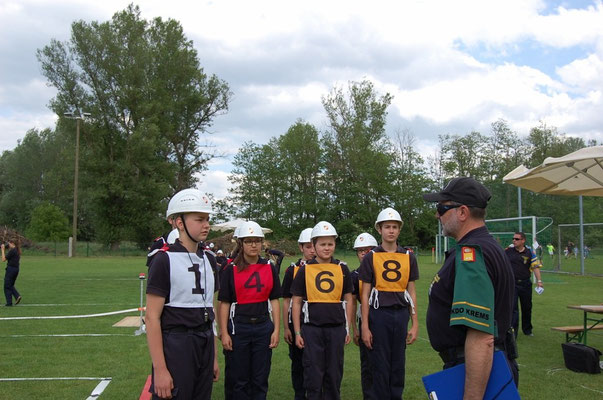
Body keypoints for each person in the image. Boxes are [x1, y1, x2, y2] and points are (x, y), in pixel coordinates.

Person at [423, 177, 518, 398]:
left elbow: (481, 336)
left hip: (476, 369)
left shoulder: (472, 253)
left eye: (442, 208)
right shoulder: (486, 246)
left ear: (463, 212)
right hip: (480, 366)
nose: (438, 215)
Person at [145, 188, 220, 400]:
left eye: (207, 219)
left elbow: (210, 311)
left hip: (204, 342)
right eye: (199, 219)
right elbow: (151, 318)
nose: (206, 224)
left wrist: (213, 357)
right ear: (179, 222)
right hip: (177, 344)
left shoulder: (210, 259)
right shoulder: (163, 260)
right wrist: (160, 370)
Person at [359, 208, 419, 399]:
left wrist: (415, 323)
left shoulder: (408, 256)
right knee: (380, 362)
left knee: (398, 362)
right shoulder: (371, 256)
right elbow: (365, 293)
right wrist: (365, 326)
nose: (391, 231)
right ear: (379, 229)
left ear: (399, 230)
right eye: (387, 227)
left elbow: (411, 291)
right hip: (379, 314)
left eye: (394, 227)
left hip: (400, 313)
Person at [291, 221, 354, 400]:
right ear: (314, 245)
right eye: (322, 244)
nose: (327, 248)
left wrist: (347, 328)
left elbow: (349, 299)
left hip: (336, 329)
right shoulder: (305, 270)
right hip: (312, 330)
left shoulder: (342, 268)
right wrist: (297, 332)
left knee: (334, 375)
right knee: (313, 376)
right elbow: (295, 303)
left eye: (330, 244)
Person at [219, 221, 281, 400]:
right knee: (240, 380)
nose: (254, 245)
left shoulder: (269, 267)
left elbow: (275, 300)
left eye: (257, 241)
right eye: (248, 241)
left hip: (263, 327)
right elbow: (224, 303)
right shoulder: (231, 270)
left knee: (260, 379)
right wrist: (224, 333)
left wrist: (276, 329)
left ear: (262, 243)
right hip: (239, 328)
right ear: (241, 244)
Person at [281, 227, 315, 400]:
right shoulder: (291, 270)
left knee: (318, 365)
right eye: (308, 246)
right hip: (298, 325)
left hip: (318, 324)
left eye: (313, 246)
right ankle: (300, 395)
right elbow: (286, 300)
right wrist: (286, 328)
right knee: (298, 364)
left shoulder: (329, 268)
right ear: (301, 248)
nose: (312, 250)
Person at [350, 232, 378, 399]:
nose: (364, 254)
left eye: (368, 250)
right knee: (367, 363)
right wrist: (354, 328)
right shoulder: (354, 276)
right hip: (365, 320)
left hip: (385, 319)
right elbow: (353, 303)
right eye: (360, 251)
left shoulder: (384, 272)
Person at [505, 232, 543, 338]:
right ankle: (513, 332)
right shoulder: (508, 251)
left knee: (527, 307)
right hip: (512, 284)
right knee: (513, 309)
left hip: (525, 283)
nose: (514, 240)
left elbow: (535, 267)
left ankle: (527, 330)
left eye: (517, 239)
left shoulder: (530, 252)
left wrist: (539, 281)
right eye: (513, 239)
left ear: (523, 240)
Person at [2, 239, 22, 307]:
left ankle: (9, 303)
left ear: (12, 243)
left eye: (9, 243)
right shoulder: (16, 250)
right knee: (10, 285)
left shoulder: (12, 251)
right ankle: (17, 297)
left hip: (11, 269)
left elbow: (3, 259)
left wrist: (2, 249)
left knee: (6, 286)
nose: (8, 245)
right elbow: (8, 256)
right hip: (16, 269)